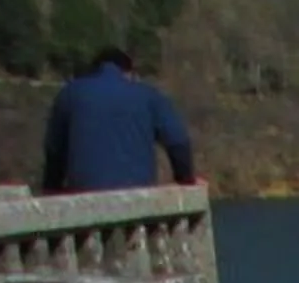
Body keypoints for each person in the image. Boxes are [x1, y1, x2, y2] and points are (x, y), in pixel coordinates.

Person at [40, 48, 195, 196]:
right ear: (129, 72)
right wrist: (186, 181)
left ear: (93, 70)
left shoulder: (69, 94)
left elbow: (54, 151)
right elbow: (178, 142)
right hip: (138, 202)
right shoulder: (148, 95)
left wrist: (51, 189)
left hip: (85, 202)